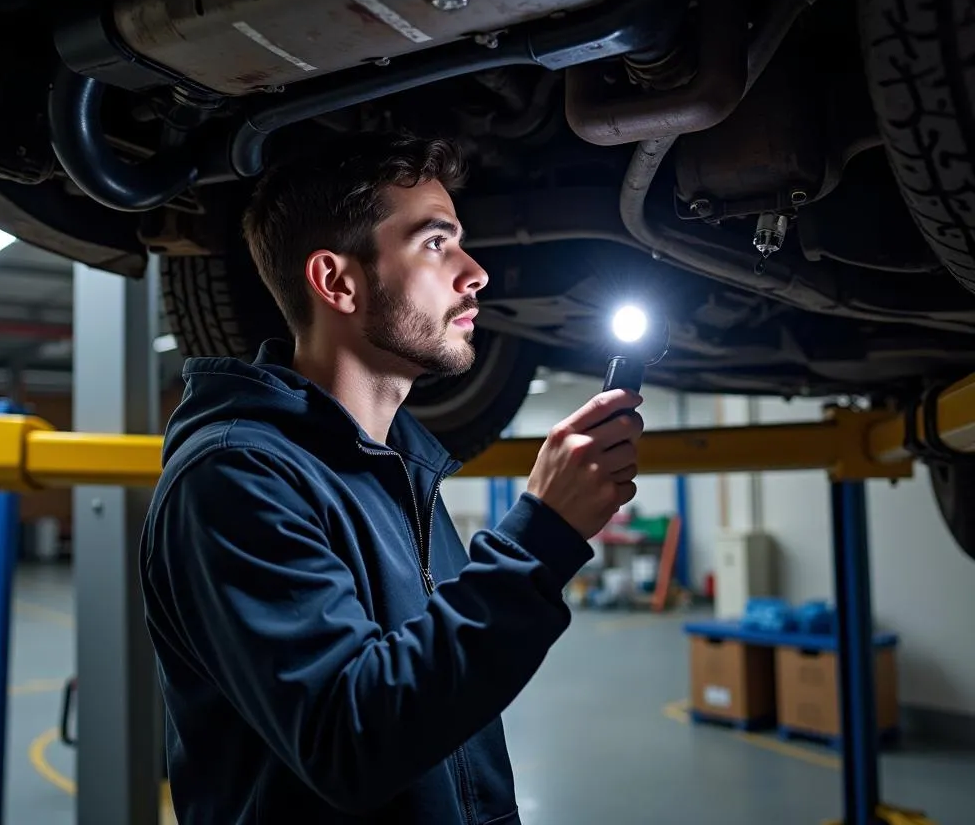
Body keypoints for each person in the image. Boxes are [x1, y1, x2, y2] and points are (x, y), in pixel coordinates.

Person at [138, 133, 644, 825]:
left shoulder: (401, 471)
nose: (476, 273)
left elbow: (444, 728)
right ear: (337, 282)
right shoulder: (233, 477)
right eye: (436, 243)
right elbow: (350, 742)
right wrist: (540, 539)